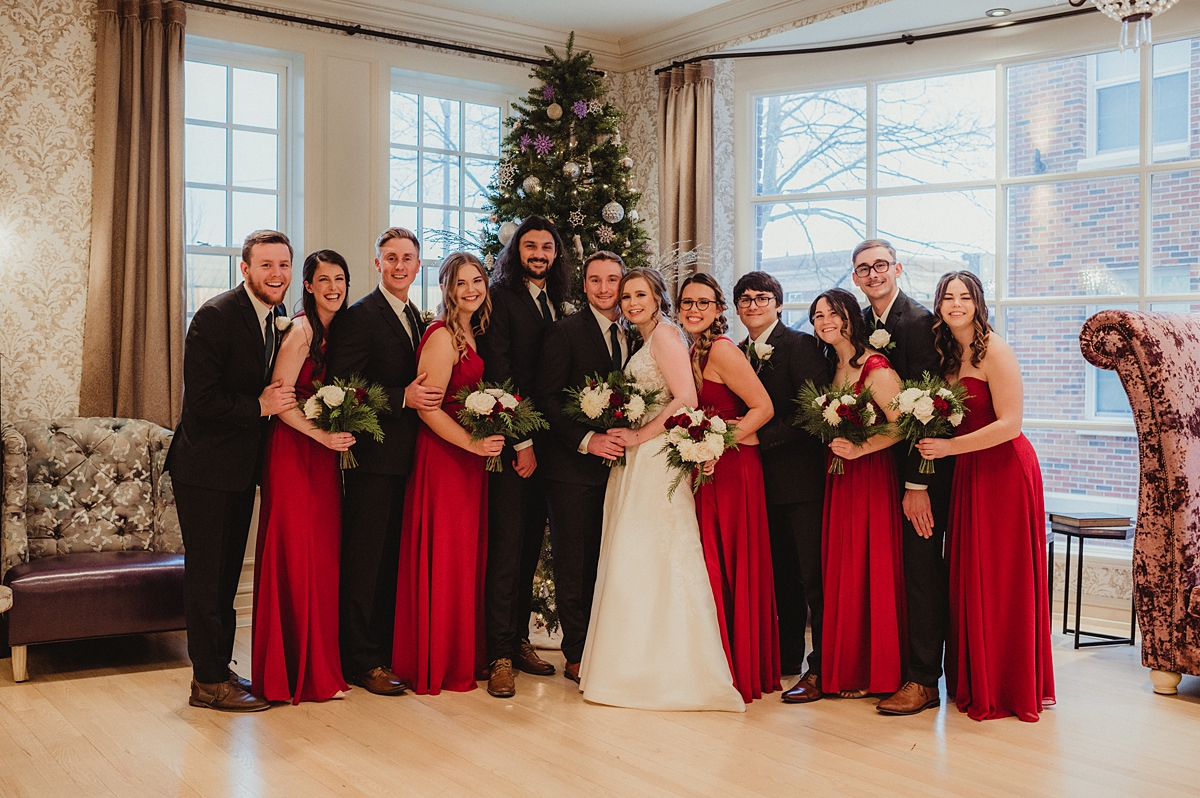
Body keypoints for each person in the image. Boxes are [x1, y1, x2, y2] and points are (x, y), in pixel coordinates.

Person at [580, 268, 744, 713]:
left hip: (653, 458)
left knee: (652, 554)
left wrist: (639, 434)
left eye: (640, 294)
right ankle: (627, 664)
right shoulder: (644, 339)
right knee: (635, 557)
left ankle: (665, 672)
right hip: (637, 461)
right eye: (626, 295)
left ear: (657, 298)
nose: (632, 302)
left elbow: (685, 397)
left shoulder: (666, 337)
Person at [916, 271, 1055, 722]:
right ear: (938, 305)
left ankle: (1008, 682)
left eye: (964, 297)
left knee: (1001, 574)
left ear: (978, 303)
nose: (956, 304)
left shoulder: (996, 349)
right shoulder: (946, 354)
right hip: (970, 472)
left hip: (1004, 471)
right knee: (972, 572)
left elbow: (1011, 423)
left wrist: (950, 447)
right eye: (947, 297)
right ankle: (978, 675)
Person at [167, 229, 296, 712]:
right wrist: (259, 406)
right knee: (208, 575)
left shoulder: (277, 316)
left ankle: (219, 669)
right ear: (245, 269)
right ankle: (207, 681)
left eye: (283, 265)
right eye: (266, 265)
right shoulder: (215, 317)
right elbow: (200, 402)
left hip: (240, 470)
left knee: (224, 578)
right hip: (204, 469)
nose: (277, 274)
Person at [326, 227, 443, 697]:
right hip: (373, 461)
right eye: (390, 257)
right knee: (365, 561)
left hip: (412, 461)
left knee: (393, 561)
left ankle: (388, 650)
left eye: (407, 258)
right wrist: (402, 397)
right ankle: (361, 659)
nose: (399, 265)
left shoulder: (419, 317)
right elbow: (340, 388)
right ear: (377, 264)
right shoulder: (360, 317)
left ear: (418, 266)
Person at [392, 253, 506, 694]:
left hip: (467, 461)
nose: (472, 290)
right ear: (447, 289)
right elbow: (427, 408)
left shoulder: (471, 336)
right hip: (444, 458)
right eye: (462, 283)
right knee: (445, 556)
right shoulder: (441, 337)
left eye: (477, 281)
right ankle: (436, 659)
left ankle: (459, 653)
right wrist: (473, 443)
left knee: (462, 557)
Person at [852, 239, 954, 717]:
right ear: (855, 278)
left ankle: (922, 680)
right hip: (875, 473)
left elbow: (928, 410)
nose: (872, 274)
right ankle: (890, 668)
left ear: (896, 268)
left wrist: (918, 485)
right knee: (893, 570)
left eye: (880, 266)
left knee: (919, 571)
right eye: (862, 269)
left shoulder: (916, 322)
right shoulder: (862, 325)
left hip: (920, 472)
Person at [252, 250, 354, 704]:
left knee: (321, 556)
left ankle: (320, 668)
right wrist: (322, 437)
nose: (334, 287)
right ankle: (289, 672)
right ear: (308, 286)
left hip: (323, 454)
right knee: (295, 553)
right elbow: (280, 399)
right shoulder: (300, 330)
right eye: (323, 279)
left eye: (340, 279)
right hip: (295, 451)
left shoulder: (338, 332)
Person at [476, 216, 568, 696]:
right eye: (529, 246)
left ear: (556, 254)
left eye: (546, 247)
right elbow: (500, 375)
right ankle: (497, 655)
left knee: (530, 547)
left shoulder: (555, 301)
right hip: (515, 447)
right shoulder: (502, 299)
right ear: (516, 251)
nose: (538, 253)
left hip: (551, 449)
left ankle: (517, 639)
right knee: (508, 550)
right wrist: (522, 443)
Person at [678, 273, 779, 704]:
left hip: (735, 468)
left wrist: (721, 442)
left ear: (720, 310)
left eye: (704, 303)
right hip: (707, 467)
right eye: (687, 303)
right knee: (710, 558)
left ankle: (742, 666)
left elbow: (763, 407)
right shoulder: (689, 349)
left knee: (732, 557)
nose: (694, 310)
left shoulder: (720, 349)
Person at [732, 272, 832, 704]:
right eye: (745, 299)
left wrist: (762, 437)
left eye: (762, 298)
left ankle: (823, 667)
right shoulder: (735, 353)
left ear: (779, 303)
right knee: (779, 580)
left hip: (801, 481)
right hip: (757, 486)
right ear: (736, 308)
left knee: (813, 578)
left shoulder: (801, 346)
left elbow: (815, 411)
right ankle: (788, 659)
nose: (753, 305)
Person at [533, 251, 631, 684]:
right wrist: (588, 440)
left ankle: (611, 646)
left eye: (613, 279)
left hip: (624, 469)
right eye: (596, 280)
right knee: (576, 562)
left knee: (614, 561)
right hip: (573, 469)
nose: (605, 288)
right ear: (584, 285)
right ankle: (576, 652)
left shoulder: (637, 334)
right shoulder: (564, 332)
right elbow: (547, 398)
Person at [810, 288, 907, 700]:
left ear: (852, 316)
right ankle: (845, 665)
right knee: (843, 568)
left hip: (869, 476)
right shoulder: (831, 368)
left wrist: (860, 448)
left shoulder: (877, 368)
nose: (825, 320)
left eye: (833, 313)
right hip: (839, 479)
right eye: (817, 316)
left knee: (871, 565)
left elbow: (903, 424)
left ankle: (873, 669)